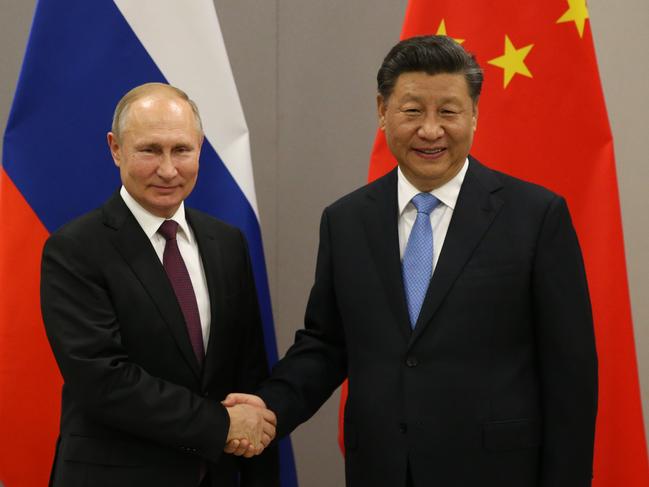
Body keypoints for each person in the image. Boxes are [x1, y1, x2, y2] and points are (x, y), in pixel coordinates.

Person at [224, 36, 598, 487]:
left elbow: (570, 375)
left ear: (475, 114)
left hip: (497, 470)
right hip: (381, 469)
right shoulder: (346, 221)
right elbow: (326, 344)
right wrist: (269, 408)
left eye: (448, 111)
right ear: (382, 111)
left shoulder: (536, 217)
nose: (431, 130)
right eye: (413, 110)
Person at [41, 83, 278, 487]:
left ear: (200, 147)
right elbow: (104, 381)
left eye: (181, 150)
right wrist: (220, 424)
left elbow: (247, 372)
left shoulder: (227, 242)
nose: (168, 169)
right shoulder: (74, 249)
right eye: (150, 150)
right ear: (116, 148)